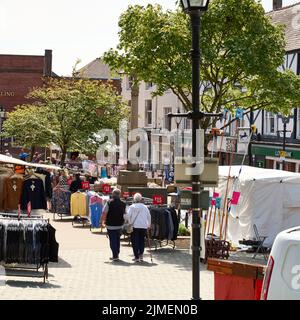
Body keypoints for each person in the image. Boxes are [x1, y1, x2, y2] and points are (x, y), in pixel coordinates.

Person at [101, 188, 126, 261]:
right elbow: (125, 214)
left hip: (110, 225)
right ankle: (117, 253)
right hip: (119, 224)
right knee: (117, 239)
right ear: (119, 194)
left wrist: (102, 221)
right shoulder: (123, 203)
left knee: (112, 240)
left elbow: (104, 213)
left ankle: (115, 255)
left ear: (113, 194)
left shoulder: (109, 202)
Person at [125, 193, 151, 262]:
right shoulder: (145, 207)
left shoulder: (132, 207)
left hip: (134, 226)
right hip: (143, 226)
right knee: (142, 241)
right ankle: (141, 255)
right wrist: (148, 225)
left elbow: (128, 216)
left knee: (135, 241)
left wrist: (129, 222)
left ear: (134, 199)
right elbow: (149, 216)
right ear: (141, 199)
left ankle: (136, 256)